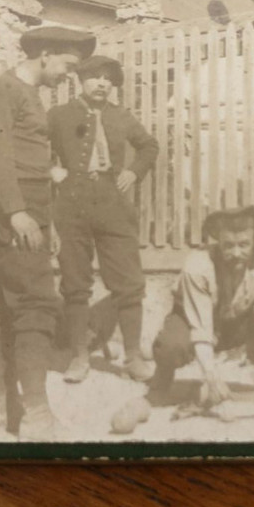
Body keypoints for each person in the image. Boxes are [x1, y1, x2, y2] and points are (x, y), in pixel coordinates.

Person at [0, 24, 96, 439]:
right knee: (37, 305)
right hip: (14, 212)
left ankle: (0, 400)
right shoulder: (2, 92)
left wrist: (47, 220)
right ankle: (36, 416)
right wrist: (17, 214)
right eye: (67, 65)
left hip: (33, 211)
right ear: (45, 54)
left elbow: (32, 161)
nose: (69, 75)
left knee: (12, 304)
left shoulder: (30, 96)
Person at [47, 54, 159, 384]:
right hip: (72, 205)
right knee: (75, 283)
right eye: (95, 76)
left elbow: (149, 146)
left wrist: (133, 172)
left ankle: (134, 357)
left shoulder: (120, 116)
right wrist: (52, 171)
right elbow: (34, 146)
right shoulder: (59, 115)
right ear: (80, 81)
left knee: (129, 282)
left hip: (113, 205)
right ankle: (80, 356)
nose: (102, 83)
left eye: (108, 78)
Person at [149, 206, 254, 406]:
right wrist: (211, 377)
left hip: (236, 324)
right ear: (218, 242)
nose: (236, 252)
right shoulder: (197, 266)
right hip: (195, 323)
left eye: (244, 244)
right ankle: (161, 379)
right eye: (228, 245)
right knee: (171, 346)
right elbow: (201, 329)